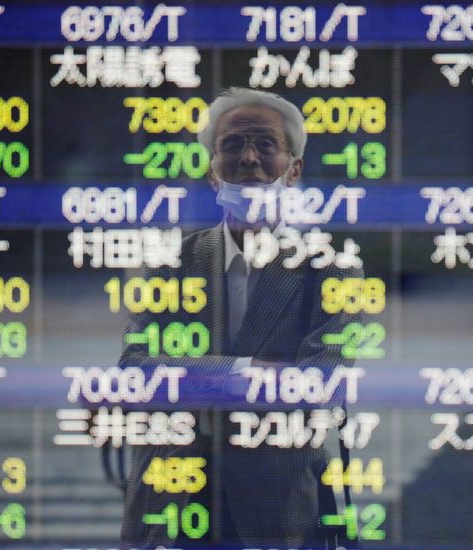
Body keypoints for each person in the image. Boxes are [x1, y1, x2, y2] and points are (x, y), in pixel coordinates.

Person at [119, 87, 361, 549]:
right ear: (212, 172)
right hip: (172, 501)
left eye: (265, 145)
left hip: (278, 506)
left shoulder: (331, 266)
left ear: (294, 171)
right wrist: (249, 373)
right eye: (232, 145)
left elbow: (320, 382)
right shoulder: (171, 259)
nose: (248, 158)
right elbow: (137, 368)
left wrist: (194, 379)